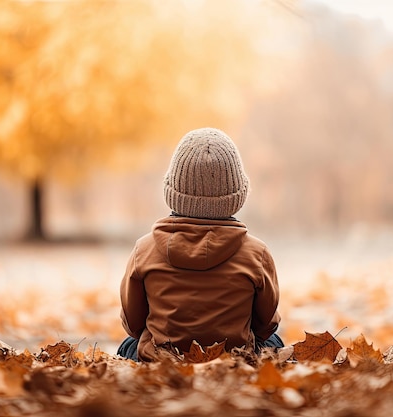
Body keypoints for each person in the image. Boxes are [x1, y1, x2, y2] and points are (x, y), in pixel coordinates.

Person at [117, 127, 283, 362]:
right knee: (275, 343)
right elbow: (267, 324)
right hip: (234, 359)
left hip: (164, 360)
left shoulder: (144, 250)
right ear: (238, 195)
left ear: (172, 191)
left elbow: (133, 324)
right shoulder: (258, 254)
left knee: (129, 345)